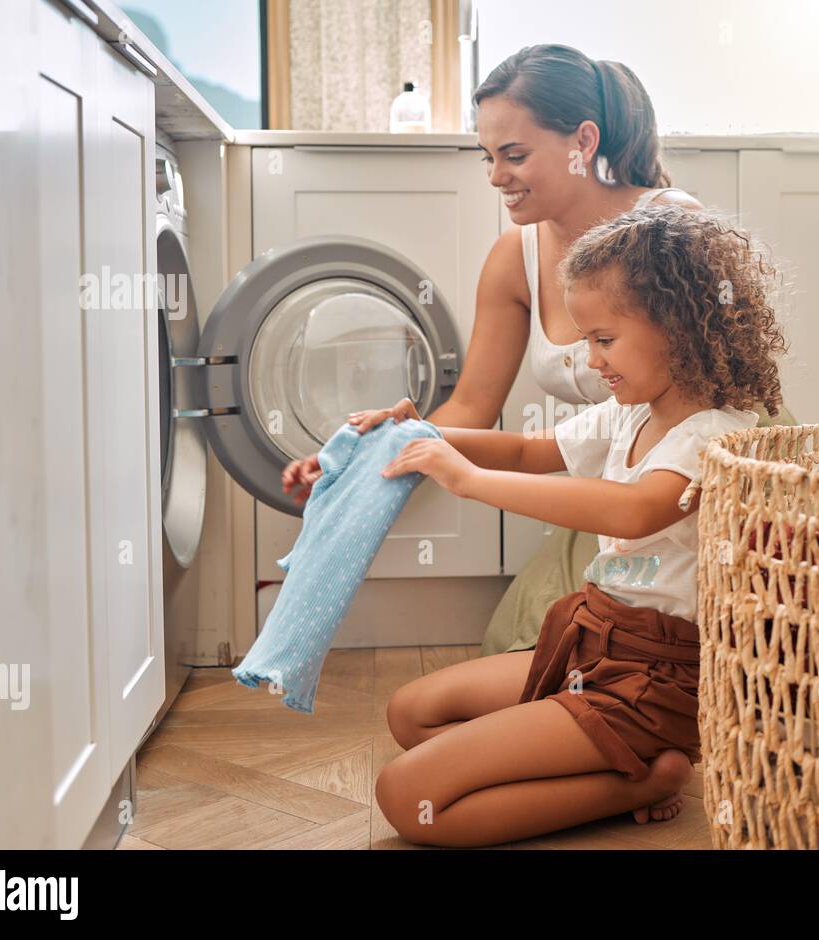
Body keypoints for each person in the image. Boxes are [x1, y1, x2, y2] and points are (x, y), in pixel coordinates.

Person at [280, 44, 756, 655]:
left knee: (699, 634)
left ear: (582, 142)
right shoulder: (515, 258)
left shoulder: (667, 229)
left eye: (514, 155)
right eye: (487, 156)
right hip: (616, 474)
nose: (495, 176)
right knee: (517, 643)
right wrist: (374, 448)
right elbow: (474, 408)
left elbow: (730, 377)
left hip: (711, 475)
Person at [345, 204, 787, 846]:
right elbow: (530, 452)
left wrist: (467, 481)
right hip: (591, 638)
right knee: (412, 714)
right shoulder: (631, 412)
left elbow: (634, 509)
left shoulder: (715, 435)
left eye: (603, 339)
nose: (590, 360)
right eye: (585, 340)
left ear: (678, 328)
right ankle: (620, 769)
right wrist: (425, 432)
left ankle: (644, 775)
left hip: (654, 677)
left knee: (408, 796)